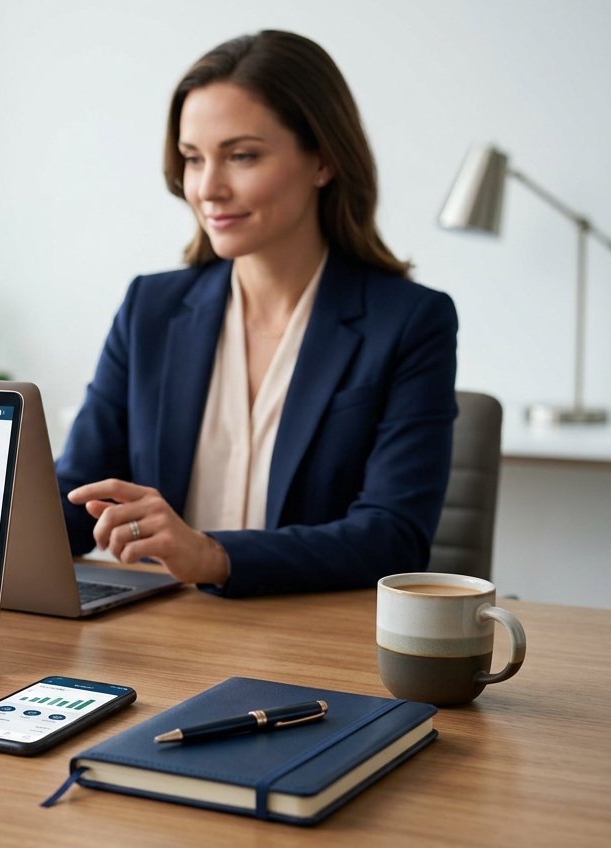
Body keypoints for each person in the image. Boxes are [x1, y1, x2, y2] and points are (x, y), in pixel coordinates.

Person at [55, 30, 458, 597]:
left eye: (242, 156)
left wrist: (212, 555)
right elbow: (77, 495)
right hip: (158, 637)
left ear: (323, 159)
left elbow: (393, 536)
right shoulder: (151, 308)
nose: (209, 189)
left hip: (312, 645)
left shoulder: (410, 322)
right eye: (194, 159)